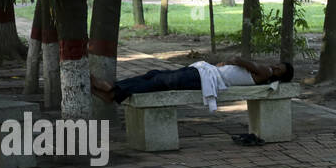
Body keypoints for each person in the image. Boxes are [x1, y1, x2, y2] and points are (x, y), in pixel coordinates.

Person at [90, 57, 293, 109]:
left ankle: (112, 90)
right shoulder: (263, 73)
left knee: (161, 80)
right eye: (276, 65)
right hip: (203, 72)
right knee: (155, 73)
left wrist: (232, 61)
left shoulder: (264, 74)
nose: (274, 67)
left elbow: (240, 60)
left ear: (276, 77)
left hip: (204, 78)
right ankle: (113, 91)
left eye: (278, 70)